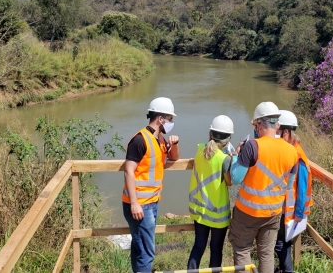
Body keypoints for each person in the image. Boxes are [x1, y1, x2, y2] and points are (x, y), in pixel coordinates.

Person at [228, 102, 299, 273]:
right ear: (278, 125)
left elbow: (236, 178)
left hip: (247, 212)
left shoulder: (253, 146)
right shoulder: (292, 151)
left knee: (242, 250)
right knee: (266, 254)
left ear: (258, 124)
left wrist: (236, 156)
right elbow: (289, 185)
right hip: (273, 212)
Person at [121, 97, 180, 273]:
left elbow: (174, 158)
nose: (172, 123)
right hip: (139, 205)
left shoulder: (160, 139)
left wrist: (174, 145)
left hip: (151, 202)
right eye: (170, 119)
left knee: (139, 248)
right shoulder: (140, 140)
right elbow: (128, 171)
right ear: (160, 119)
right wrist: (134, 203)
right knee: (147, 253)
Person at [187, 115, 234, 269]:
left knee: (198, 247)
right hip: (217, 214)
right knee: (216, 249)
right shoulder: (225, 159)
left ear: (210, 134)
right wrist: (232, 158)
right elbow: (229, 182)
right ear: (228, 139)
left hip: (199, 210)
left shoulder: (199, 149)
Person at [274, 110, 313, 273]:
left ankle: (287, 270)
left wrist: (298, 212)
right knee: (284, 244)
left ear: (285, 132)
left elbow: (302, 187)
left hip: (292, 211)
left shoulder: (297, 155)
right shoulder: (292, 149)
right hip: (288, 209)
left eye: (276, 131)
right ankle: (284, 268)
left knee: (280, 244)